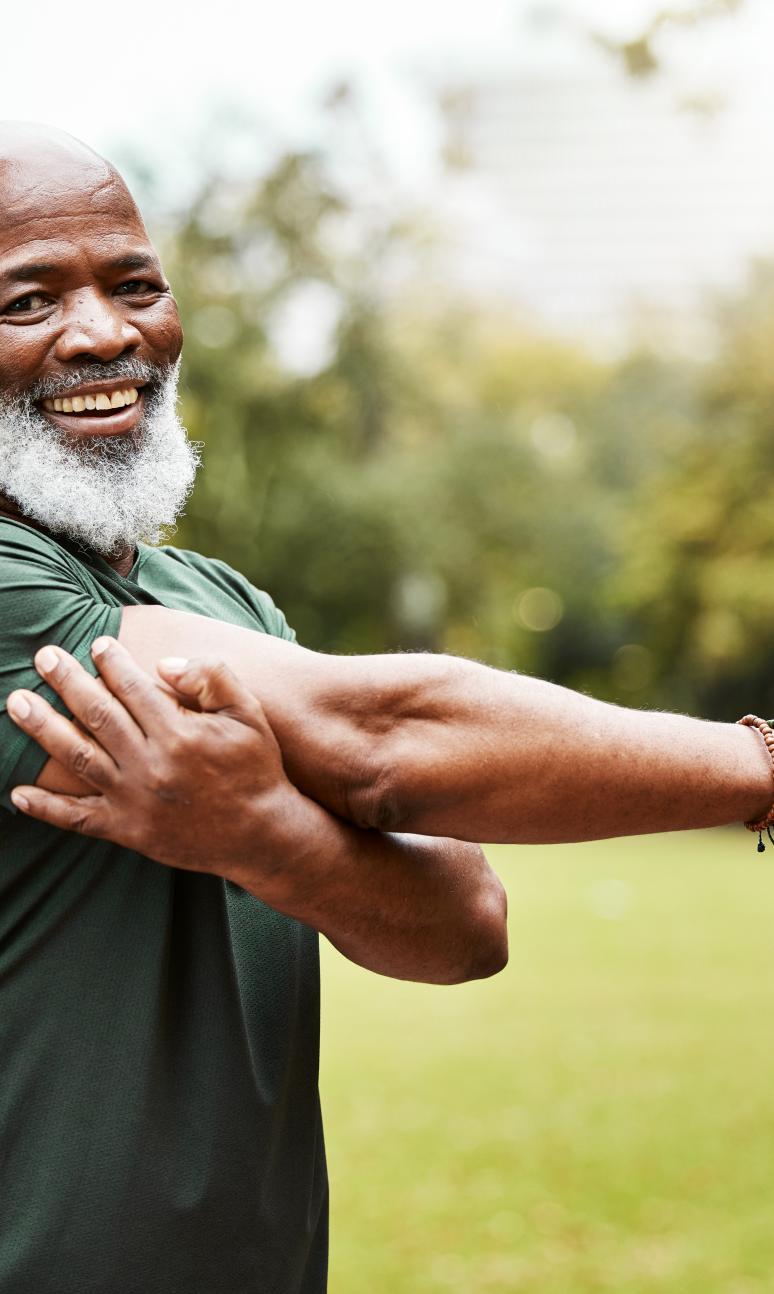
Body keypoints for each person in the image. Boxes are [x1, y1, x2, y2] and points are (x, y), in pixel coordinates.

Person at [0, 120, 770, 1293]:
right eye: (28, 300)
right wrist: (761, 764)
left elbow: (466, 925)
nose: (105, 333)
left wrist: (266, 835)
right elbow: (381, 737)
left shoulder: (217, 601)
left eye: (136, 285)